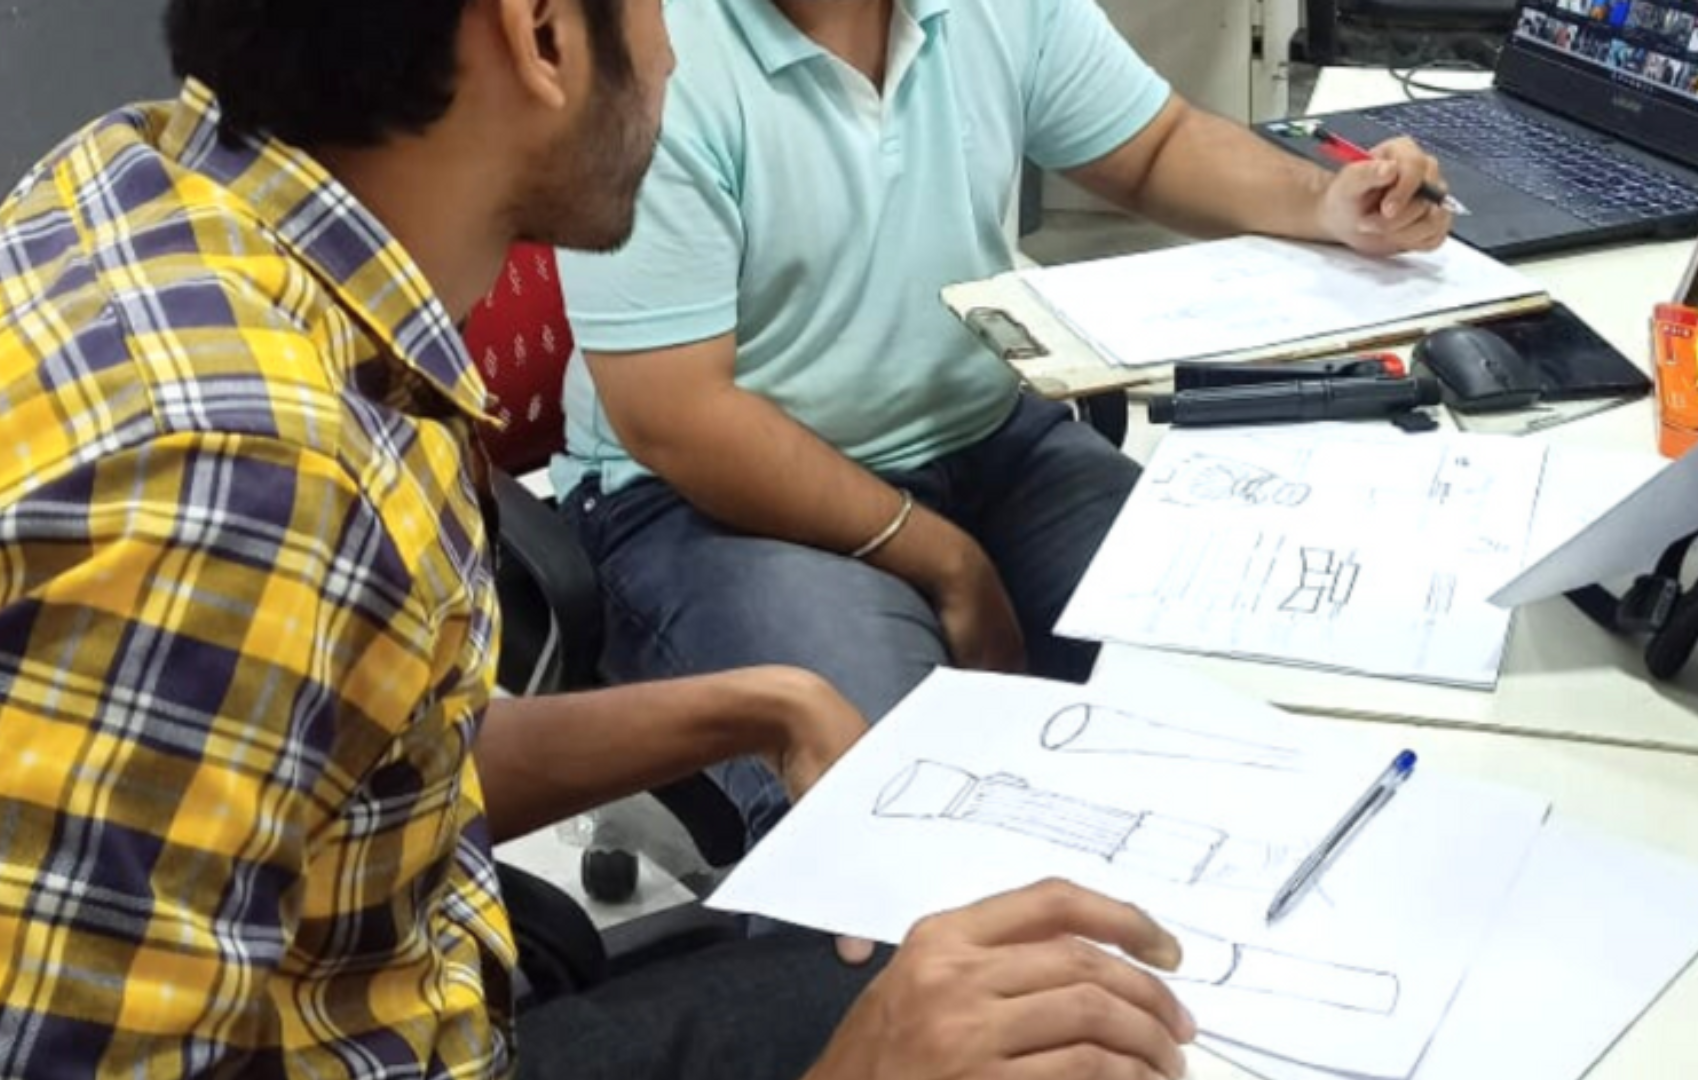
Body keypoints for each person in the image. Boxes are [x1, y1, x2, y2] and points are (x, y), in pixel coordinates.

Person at [0, 1, 1195, 1077]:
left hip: (408, 963)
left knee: (989, 979)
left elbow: (368, 761)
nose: (673, 52)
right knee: (955, 1002)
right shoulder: (242, 483)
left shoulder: (163, 185)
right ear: (543, 36)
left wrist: (757, 705)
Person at [554, 0, 1456, 844]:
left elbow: (1154, 145)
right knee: (890, 809)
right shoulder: (653, 46)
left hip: (983, 438)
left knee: (1249, 681)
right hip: (709, 502)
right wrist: (946, 559)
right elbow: (679, 417)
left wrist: (1324, 204)